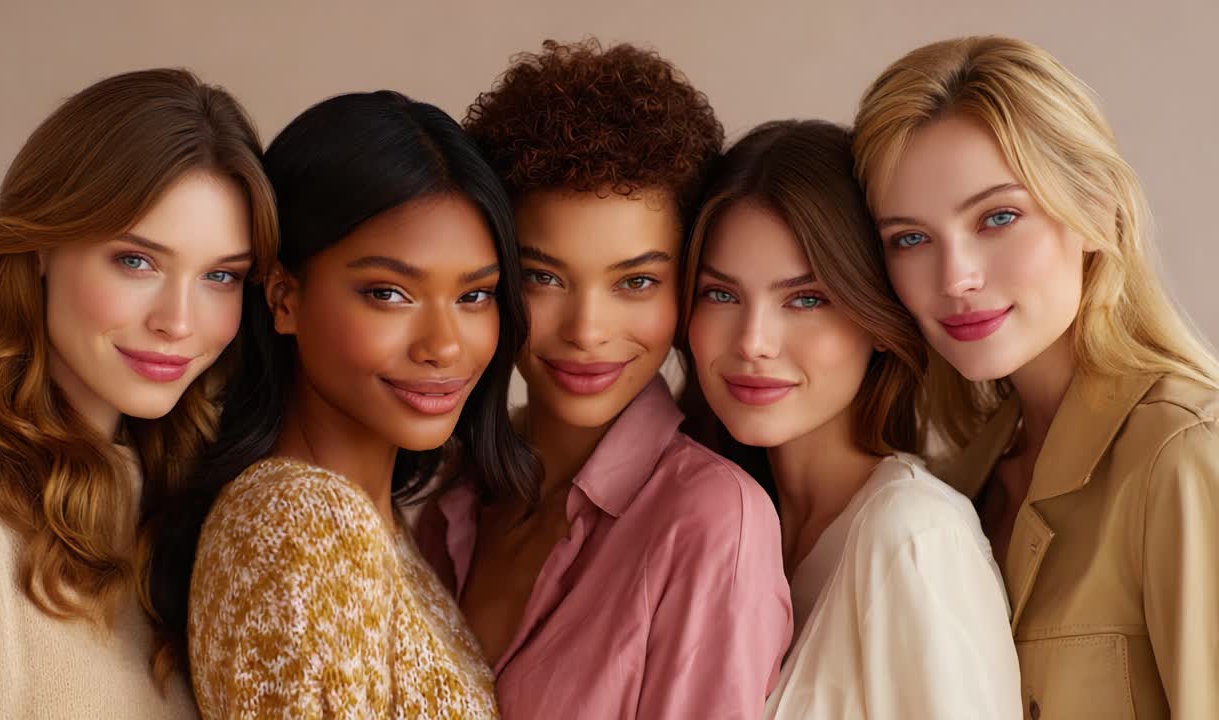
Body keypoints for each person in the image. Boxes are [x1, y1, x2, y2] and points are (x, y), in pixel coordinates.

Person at [416, 40, 791, 719]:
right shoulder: (458, 496)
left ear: (686, 284)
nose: (587, 330)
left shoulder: (711, 522)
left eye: (636, 281)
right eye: (544, 277)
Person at [854, 35, 1219, 718]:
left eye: (999, 217)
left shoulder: (1186, 456)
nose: (955, 277)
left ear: (1098, 209)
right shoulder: (954, 484)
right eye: (910, 237)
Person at [147, 90, 536, 718]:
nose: (443, 345)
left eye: (474, 296)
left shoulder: (379, 524)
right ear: (284, 299)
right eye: (388, 293)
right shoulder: (304, 520)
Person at [0, 68, 278, 717]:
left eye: (220, 276)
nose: (178, 321)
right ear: (41, 243)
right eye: (136, 260)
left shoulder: (200, 518)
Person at [683, 119, 1020, 719]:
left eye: (806, 300)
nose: (754, 341)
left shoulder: (915, 537)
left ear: (876, 318)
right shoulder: (716, 527)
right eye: (721, 295)